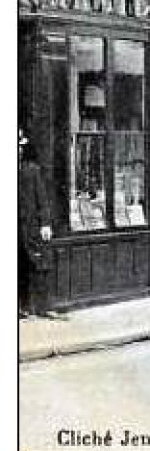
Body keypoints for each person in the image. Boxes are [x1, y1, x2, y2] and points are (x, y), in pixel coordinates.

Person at [18, 130, 57, 318]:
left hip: (30, 227)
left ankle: (41, 306)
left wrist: (45, 224)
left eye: (19, 148)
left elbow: (42, 199)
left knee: (36, 265)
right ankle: (22, 308)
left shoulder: (31, 170)